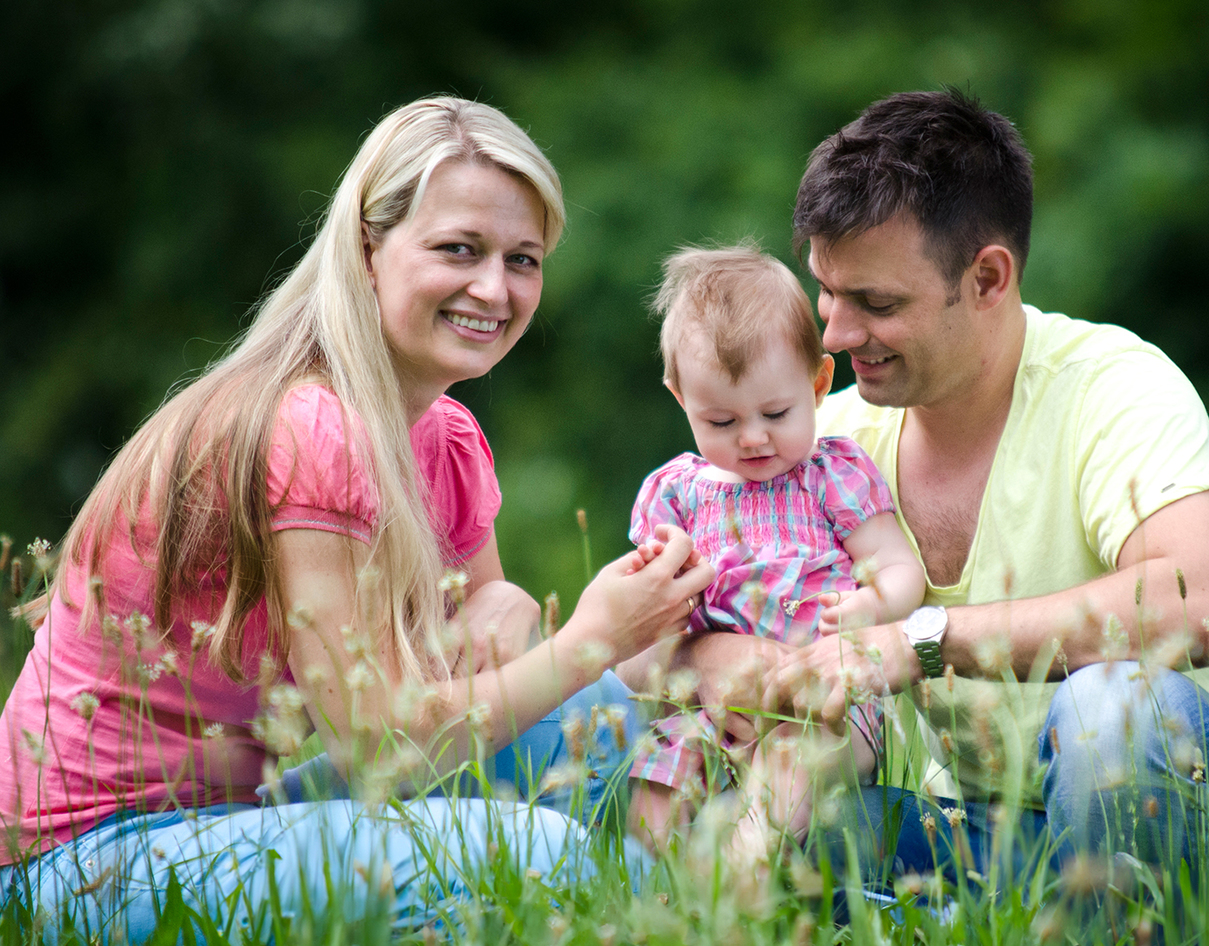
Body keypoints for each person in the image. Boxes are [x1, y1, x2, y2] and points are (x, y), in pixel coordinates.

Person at [0, 96, 712, 942]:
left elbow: (486, 639)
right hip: (89, 866)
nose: (495, 288)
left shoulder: (444, 439)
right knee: (538, 854)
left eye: (523, 259)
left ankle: (681, 904)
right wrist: (592, 638)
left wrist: (521, 622)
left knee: (595, 727)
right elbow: (377, 744)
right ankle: (678, 915)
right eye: (460, 249)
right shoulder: (309, 424)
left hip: (243, 817)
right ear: (369, 250)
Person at [670, 89, 1209, 933]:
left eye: (875, 303)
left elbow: (1205, 602)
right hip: (998, 840)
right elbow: (686, 634)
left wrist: (917, 642)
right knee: (782, 829)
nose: (832, 334)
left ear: (986, 278)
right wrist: (740, 666)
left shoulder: (1117, 387)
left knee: (1111, 711)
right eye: (826, 293)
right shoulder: (827, 441)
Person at [619, 246, 925, 862]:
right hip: (711, 706)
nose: (753, 437)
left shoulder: (831, 473)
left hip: (825, 705)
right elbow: (636, 642)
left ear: (818, 383)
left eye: (776, 412)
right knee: (657, 776)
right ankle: (653, 894)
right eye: (722, 421)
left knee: (791, 757)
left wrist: (869, 607)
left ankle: (748, 870)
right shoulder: (676, 494)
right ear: (681, 399)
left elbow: (899, 568)